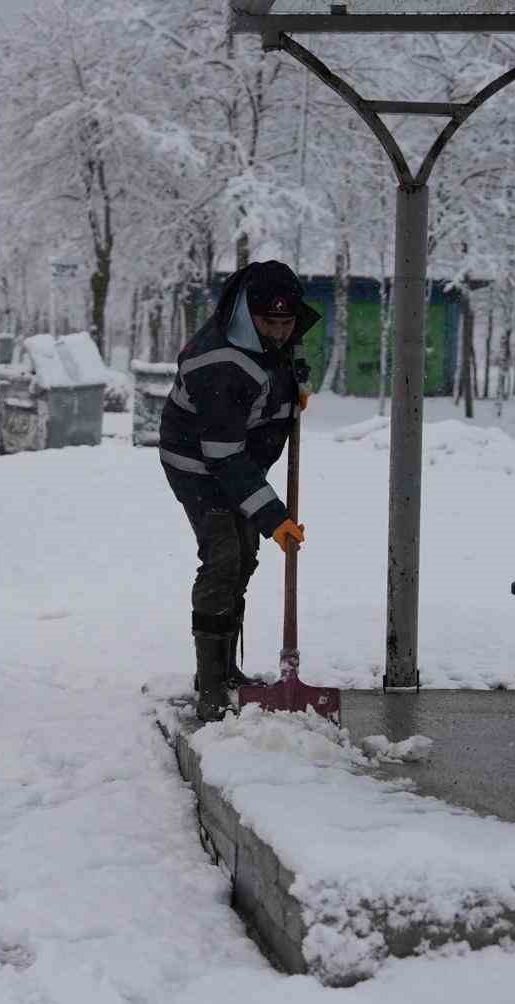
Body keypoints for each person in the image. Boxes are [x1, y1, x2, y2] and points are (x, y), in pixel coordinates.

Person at [158, 260, 320, 721]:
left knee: (245, 556)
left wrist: (295, 385)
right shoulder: (220, 363)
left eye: (287, 323)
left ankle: (227, 668)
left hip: (239, 460)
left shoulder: (273, 336)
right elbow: (221, 455)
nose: (280, 332)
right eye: (270, 323)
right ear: (249, 315)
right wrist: (274, 517)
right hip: (198, 464)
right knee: (224, 558)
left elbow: (284, 357)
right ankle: (210, 684)